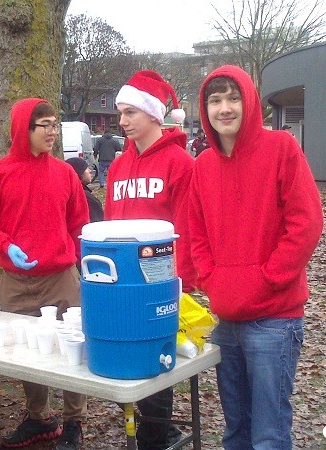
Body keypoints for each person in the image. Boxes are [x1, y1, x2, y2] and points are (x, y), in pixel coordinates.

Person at [189, 64, 323, 450]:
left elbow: (306, 223)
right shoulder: (203, 165)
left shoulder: (281, 148)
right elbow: (196, 231)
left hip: (273, 319)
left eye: (233, 98)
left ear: (249, 102)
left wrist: (269, 277)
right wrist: (211, 279)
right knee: (236, 429)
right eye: (215, 100)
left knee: (268, 432)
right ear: (205, 109)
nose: (224, 108)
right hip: (227, 318)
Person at [0, 98, 88, 450]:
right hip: (16, 282)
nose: (53, 132)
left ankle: (74, 421)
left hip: (61, 278)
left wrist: (80, 263)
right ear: (24, 129)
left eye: (55, 124)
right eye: (45, 125)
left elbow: (79, 224)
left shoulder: (65, 173)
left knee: (71, 349)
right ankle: (39, 417)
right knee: (27, 354)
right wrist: (4, 245)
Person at [105, 69, 195, 450]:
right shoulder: (118, 167)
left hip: (161, 281)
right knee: (126, 358)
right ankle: (155, 427)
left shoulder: (179, 163)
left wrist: (182, 281)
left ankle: (155, 437)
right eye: (120, 113)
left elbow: (188, 224)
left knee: (155, 360)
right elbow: (109, 224)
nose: (122, 121)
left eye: (130, 113)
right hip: (123, 282)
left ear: (154, 114)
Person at [66, 157, 104, 222]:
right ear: (79, 173)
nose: (90, 171)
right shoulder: (86, 198)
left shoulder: (68, 194)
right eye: (86, 168)